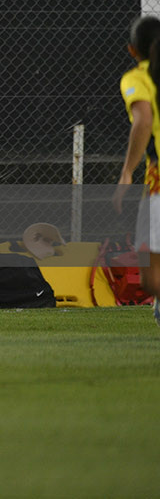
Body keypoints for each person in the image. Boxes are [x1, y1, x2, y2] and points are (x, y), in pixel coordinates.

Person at [116, 17, 160, 322]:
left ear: (133, 50)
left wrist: (127, 172)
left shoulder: (137, 78)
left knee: (151, 277)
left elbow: (144, 119)